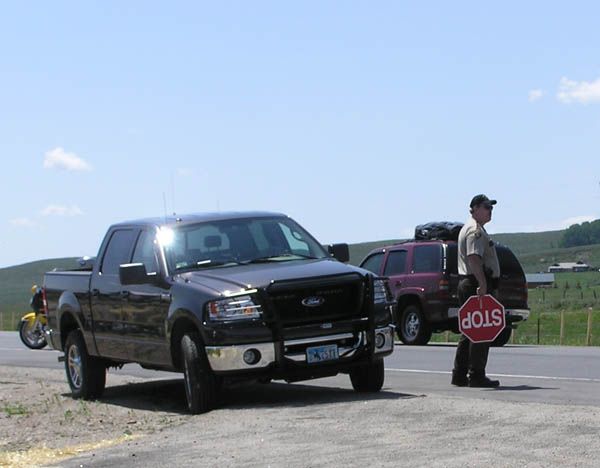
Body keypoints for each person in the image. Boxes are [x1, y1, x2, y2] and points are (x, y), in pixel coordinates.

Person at [451, 194, 501, 388]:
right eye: (487, 207)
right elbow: (473, 257)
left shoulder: (472, 228)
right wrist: (483, 283)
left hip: (470, 284)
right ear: (476, 208)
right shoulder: (475, 231)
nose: (490, 211)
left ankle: (459, 374)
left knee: (470, 331)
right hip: (475, 284)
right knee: (482, 331)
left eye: (491, 207)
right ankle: (476, 375)